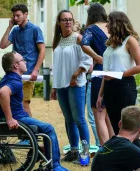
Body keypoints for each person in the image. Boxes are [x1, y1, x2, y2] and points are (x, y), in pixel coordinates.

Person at [0, 51, 69, 171]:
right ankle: (55, 166)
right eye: (22, 60)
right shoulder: (15, 82)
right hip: (18, 118)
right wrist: (9, 119)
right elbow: (2, 93)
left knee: (44, 128)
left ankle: (42, 155)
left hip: (17, 116)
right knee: (49, 128)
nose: (25, 62)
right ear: (16, 66)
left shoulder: (7, 78)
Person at [50, 10, 92, 162]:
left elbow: (88, 60)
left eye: (70, 20)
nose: (68, 22)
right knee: (68, 120)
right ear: (59, 22)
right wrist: (54, 87)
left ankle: (85, 153)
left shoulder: (78, 38)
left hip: (76, 84)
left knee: (79, 119)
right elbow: (56, 65)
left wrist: (76, 74)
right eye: (64, 20)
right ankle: (74, 150)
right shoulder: (57, 40)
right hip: (61, 85)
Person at [96, 11, 140, 135]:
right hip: (109, 86)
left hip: (125, 86)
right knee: (115, 126)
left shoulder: (130, 41)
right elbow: (107, 71)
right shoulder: (110, 44)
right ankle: (122, 152)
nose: (106, 26)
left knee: (126, 126)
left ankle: (134, 151)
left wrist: (119, 74)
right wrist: (100, 94)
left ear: (117, 23)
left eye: (109, 22)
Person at [0, 3, 45, 117]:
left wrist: (36, 70)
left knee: (24, 104)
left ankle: (31, 131)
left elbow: (42, 51)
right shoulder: (14, 30)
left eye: (18, 15)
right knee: (11, 103)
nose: (15, 18)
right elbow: (3, 45)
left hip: (28, 73)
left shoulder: (35, 29)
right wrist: (9, 27)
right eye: (14, 16)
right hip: (14, 74)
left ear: (25, 14)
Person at [81, 2, 114, 146]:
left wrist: (96, 56)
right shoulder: (111, 27)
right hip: (115, 70)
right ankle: (115, 146)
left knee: (98, 114)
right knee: (109, 116)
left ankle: (105, 149)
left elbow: (84, 44)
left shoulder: (90, 29)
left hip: (100, 70)